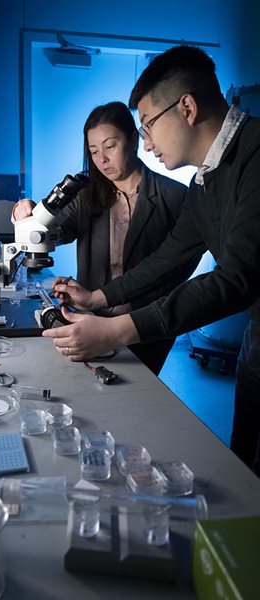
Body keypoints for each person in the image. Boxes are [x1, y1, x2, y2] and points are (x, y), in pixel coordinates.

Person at [42, 46, 260, 474]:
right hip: (256, 342)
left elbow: (238, 278)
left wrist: (116, 331)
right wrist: (95, 298)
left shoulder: (254, 157)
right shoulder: (205, 184)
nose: (146, 143)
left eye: (147, 127)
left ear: (187, 108)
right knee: (246, 465)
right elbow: (165, 260)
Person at [13, 101, 199, 374]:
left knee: (140, 393)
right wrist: (28, 214)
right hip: (90, 319)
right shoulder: (86, 194)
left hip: (144, 325)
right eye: (93, 151)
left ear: (134, 140)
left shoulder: (175, 196)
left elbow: (180, 264)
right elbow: (57, 231)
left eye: (110, 146)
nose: (101, 159)